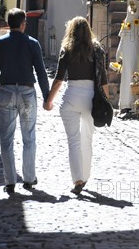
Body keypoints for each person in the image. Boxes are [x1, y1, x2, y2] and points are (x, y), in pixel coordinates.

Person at [0, 8, 50, 194]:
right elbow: (41, 73)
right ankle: (29, 179)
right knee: (28, 137)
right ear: (23, 24)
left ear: (9, 24)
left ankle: (10, 181)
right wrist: (47, 96)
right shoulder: (32, 43)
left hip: (6, 91)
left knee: (6, 140)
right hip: (27, 93)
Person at [44, 16, 108, 195]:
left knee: (73, 141)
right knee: (87, 140)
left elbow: (58, 80)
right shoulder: (97, 50)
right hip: (91, 98)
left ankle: (78, 180)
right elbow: (103, 79)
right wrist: (106, 102)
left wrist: (49, 100)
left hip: (71, 96)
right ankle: (85, 177)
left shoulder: (67, 49)